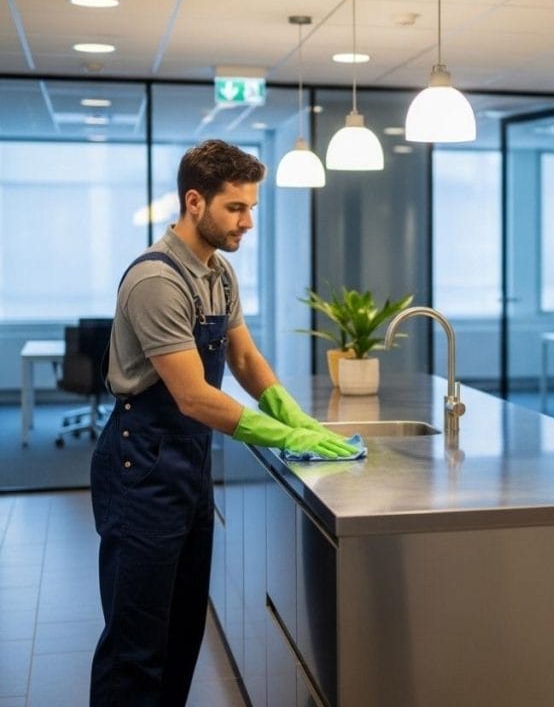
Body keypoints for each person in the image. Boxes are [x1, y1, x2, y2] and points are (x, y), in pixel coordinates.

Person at [89, 139, 360, 706]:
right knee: (137, 643)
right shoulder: (157, 281)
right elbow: (192, 397)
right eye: (237, 208)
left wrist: (294, 413)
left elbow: (242, 358)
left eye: (252, 207)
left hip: (188, 467)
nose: (248, 222)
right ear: (195, 202)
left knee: (184, 628)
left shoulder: (219, 274)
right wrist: (282, 437)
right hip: (141, 466)